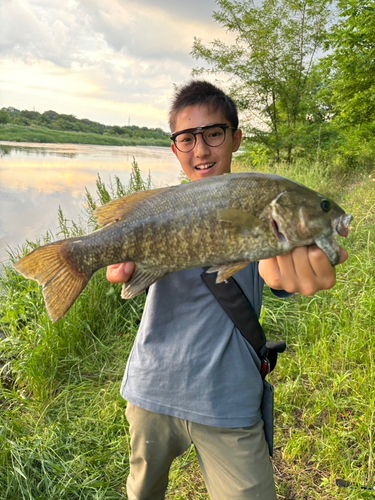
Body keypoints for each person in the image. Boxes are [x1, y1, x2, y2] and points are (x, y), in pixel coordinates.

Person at [107, 81, 348, 500]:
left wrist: (285, 278)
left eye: (213, 134)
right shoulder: (162, 209)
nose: (201, 150)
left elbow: (277, 278)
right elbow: (126, 270)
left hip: (228, 399)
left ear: (235, 138)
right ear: (175, 149)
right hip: (152, 390)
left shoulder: (265, 205)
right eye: (187, 138)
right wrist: (119, 264)